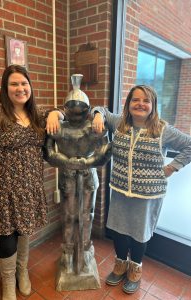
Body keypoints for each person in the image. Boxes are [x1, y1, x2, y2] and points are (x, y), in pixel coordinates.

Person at [0, 65, 63, 300]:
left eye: (24, 83)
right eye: (14, 84)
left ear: (30, 86)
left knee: (24, 232)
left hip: (29, 188)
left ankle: (23, 272)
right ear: (5, 87)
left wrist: (55, 113)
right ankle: (8, 280)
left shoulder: (37, 114)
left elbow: (63, 112)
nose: (20, 88)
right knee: (7, 239)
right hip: (2, 190)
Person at [91, 84, 191, 294]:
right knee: (118, 230)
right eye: (135, 100)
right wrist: (98, 116)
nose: (140, 104)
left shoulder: (163, 130)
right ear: (128, 104)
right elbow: (100, 109)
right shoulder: (119, 123)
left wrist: (172, 167)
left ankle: (135, 269)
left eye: (146, 101)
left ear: (153, 105)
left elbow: (189, 145)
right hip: (120, 190)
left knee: (138, 233)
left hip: (148, 195)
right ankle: (120, 265)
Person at [45, 74, 111, 282]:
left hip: (88, 175)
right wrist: (65, 161)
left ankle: (85, 247)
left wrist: (87, 163)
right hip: (67, 175)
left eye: (80, 109)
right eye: (70, 109)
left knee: (87, 214)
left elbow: (105, 150)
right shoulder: (59, 127)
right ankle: (67, 250)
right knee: (68, 214)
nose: (75, 113)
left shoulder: (94, 126)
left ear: (87, 109)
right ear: (65, 109)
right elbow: (47, 151)